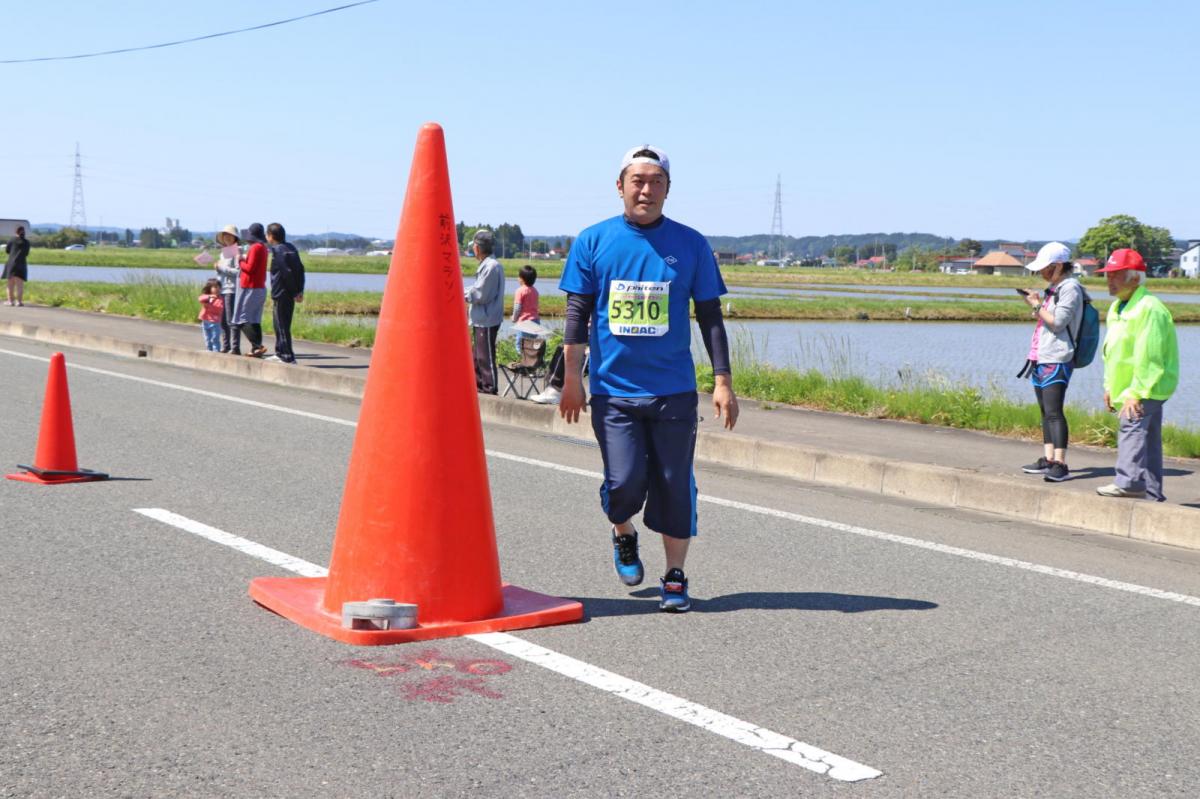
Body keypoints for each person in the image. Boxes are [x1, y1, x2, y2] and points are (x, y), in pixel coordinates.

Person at [558, 144, 738, 613]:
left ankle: (675, 576)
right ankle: (623, 531)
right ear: (620, 186)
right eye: (638, 180)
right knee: (624, 484)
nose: (646, 189)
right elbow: (577, 314)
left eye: (656, 182)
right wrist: (572, 378)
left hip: (673, 390)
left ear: (668, 190)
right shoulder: (593, 241)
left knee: (675, 483)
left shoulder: (691, 243)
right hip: (613, 390)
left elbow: (711, 316)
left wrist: (722, 381)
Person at [1093, 248, 1179, 501]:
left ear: (1134, 278)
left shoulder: (1149, 308)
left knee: (1131, 425)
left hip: (1148, 386)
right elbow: (1112, 352)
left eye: (1116, 275)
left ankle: (1129, 482)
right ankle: (1153, 494)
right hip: (1130, 387)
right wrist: (1110, 386)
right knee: (1149, 437)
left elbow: (1149, 356)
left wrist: (1136, 393)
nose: (1109, 280)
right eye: (1107, 275)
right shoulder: (1118, 307)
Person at [1017, 241, 1085, 483]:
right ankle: (1047, 459)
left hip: (1058, 357)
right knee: (1045, 411)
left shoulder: (1070, 288)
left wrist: (1036, 304)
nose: (1041, 273)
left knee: (1055, 412)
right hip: (1040, 356)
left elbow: (1057, 323)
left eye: (1045, 268)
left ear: (1058, 266)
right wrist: (1037, 302)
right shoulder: (1054, 288)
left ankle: (1060, 463)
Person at [464, 228, 504, 394]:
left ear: (477, 248)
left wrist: (461, 293)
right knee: (478, 355)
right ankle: (479, 385)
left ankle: (489, 387)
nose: (472, 249)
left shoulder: (491, 266)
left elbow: (481, 294)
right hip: (482, 317)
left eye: (473, 246)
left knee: (485, 355)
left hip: (487, 318)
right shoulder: (487, 265)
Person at [266, 222, 305, 363]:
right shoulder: (291, 248)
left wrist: (295, 292)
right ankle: (280, 352)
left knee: (282, 325)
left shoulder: (278, 250)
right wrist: (300, 290)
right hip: (289, 292)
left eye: (267, 235)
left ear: (271, 236)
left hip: (282, 292)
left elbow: (286, 273)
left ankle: (288, 356)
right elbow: (300, 270)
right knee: (279, 324)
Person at [233, 222, 270, 358]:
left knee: (242, 319)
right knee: (254, 320)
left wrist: (239, 260)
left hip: (251, 287)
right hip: (259, 287)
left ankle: (257, 346)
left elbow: (250, 268)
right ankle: (256, 350)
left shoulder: (255, 248)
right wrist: (244, 258)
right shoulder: (263, 248)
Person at [212, 224, 242, 354]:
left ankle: (235, 347)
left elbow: (238, 272)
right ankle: (226, 346)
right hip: (222, 289)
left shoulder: (237, 252)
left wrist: (222, 268)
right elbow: (222, 272)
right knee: (222, 320)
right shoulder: (223, 253)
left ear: (235, 237)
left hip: (231, 289)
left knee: (231, 320)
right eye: (225, 235)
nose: (227, 238)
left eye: (230, 235)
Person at [511, 264, 541, 353]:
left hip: (524, 322)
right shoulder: (535, 291)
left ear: (522, 279)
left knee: (520, 344)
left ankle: (521, 361)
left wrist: (514, 318)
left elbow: (517, 307)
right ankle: (531, 361)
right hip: (535, 321)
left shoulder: (520, 290)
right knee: (531, 345)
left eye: (519, 276)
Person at [4, 225, 30, 307]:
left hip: (11, 264)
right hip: (22, 264)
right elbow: (26, 254)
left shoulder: (12, 240)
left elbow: (7, 251)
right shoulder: (27, 242)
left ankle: (10, 301)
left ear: (16, 232)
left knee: (10, 285)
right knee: (20, 285)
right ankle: (19, 302)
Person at [198, 278, 225, 352]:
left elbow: (219, 308)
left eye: (219, 287)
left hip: (215, 322)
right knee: (207, 338)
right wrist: (209, 297)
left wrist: (209, 305)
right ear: (210, 288)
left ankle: (216, 351)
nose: (217, 289)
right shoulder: (207, 296)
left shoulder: (221, 298)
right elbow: (200, 299)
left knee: (215, 338)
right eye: (215, 287)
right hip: (206, 321)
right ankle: (209, 350)